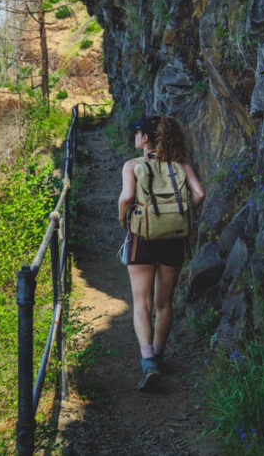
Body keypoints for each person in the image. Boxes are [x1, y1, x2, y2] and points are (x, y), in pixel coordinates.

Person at [117, 115, 205, 391]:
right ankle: (159, 354)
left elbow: (127, 198)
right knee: (164, 303)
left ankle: (148, 363)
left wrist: (124, 219)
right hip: (174, 239)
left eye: (138, 133)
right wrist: (178, 216)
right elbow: (199, 195)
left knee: (141, 303)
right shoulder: (181, 167)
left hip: (142, 236)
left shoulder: (132, 166)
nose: (135, 137)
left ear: (145, 139)